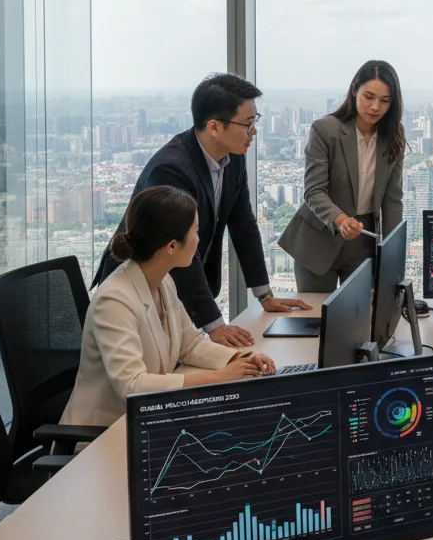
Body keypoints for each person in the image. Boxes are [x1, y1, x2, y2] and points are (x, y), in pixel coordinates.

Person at [94, 74, 310, 348]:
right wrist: (214, 325)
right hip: (141, 295)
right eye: (247, 124)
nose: (254, 131)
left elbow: (243, 224)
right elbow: (178, 249)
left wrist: (264, 294)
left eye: (255, 121)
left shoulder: (233, 160)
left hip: (176, 299)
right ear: (214, 127)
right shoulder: (171, 170)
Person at [63, 187, 276, 429]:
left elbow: (190, 344)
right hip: (103, 435)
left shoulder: (162, 280)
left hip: (148, 422)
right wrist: (219, 378)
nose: (199, 238)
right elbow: (132, 386)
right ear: (172, 246)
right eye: (195, 230)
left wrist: (240, 359)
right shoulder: (113, 300)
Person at [279, 61, 405, 292]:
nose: (375, 106)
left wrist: (392, 254)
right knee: (314, 319)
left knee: (359, 319)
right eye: (369, 96)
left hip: (363, 241)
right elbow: (314, 190)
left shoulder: (393, 136)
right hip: (318, 238)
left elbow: (392, 200)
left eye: (385, 101)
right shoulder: (325, 130)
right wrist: (340, 220)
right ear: (355, 89)